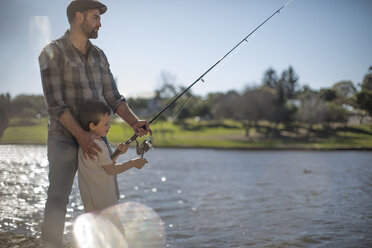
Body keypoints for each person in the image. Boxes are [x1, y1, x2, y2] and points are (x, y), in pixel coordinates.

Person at [38, 0, 150, 247]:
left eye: (100, 18)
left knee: (107, 196)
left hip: (98, 138)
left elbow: (112, 96)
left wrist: (134, 122)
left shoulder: (100, 55)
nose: (100, 23)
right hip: (64, 136)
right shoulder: (51, 52)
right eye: (95, 17)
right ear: (79, 17)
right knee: (58, 197)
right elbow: (55, 104)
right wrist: (80, 135)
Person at [77, 100, 147, 212]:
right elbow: (111, 170)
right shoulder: (99, 144)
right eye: (106, 124)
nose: (109, 127)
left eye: (109, 123)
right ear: (92, 126)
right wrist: (133, 163)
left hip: (91, 202)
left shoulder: (86, 144)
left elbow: (101, 165)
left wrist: (118, 152)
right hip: (105, 202)